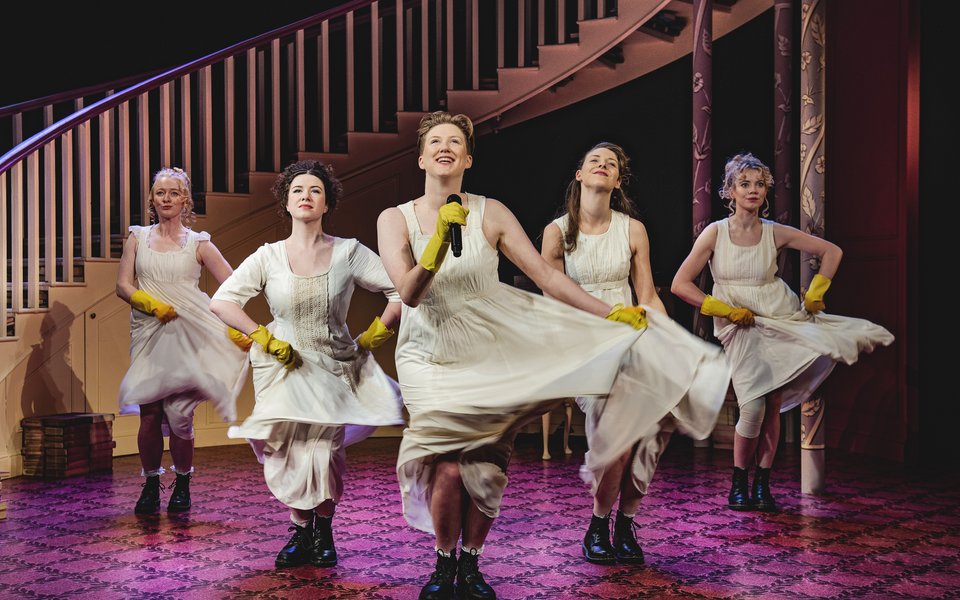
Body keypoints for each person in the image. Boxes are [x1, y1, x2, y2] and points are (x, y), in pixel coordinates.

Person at [376, 112, 730, 600]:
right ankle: (443, 564)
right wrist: (437, 241)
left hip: (488, 351)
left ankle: (473, 563)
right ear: (421, 157)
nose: (445, 147)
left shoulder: (492, 212)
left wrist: (610, 313)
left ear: (468, 158)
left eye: (455, 142)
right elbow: (409, 293)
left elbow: (548, 278)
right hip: (428, 355)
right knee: (448, 464)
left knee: (486, 464)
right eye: (436, 141)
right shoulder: (393, 218)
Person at [671, 152, 895, 512]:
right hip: (738, 325)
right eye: (744, 183)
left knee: (773, 402)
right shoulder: (715, 233)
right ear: (729, 190)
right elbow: (680, 284)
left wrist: (817, 291)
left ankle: (762, 483)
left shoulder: (774, 232)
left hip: (779, 315)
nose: (753, 190)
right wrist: (725, 310)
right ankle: (738, 482)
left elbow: (832, 252)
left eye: (760, 184)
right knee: (753, 404)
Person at [209, 159, 404, 569]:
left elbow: (400, 291)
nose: (306, 196)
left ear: (327, 202)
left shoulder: (349, 252)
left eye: (315, 190)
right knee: (291, 449)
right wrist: (261, 336)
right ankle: (300, 530)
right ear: (286, 201)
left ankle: (324, 529)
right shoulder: (269, 256)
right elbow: (222, 300)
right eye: (298, 190)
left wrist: (373, 336)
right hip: (281, 364)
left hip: (332, 362)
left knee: (325, 450)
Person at [541, 141, 686, 565]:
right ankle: (598, 523)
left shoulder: (632, 229)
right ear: (580, 175)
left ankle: (625, 521)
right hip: (585, 340)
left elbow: (647, 295)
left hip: (632, 336)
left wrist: (667, 337)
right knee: (618, 437)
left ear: (618, 181)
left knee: (649, 435)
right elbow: (553, 297)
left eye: (611, 164)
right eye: (594, 161)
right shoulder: (557, 232)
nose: (603, 166)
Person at [116, 167, 250, 516]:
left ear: (185, 199)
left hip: (188, 332)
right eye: (160, 193)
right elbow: (123, 285)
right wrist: (148, 302)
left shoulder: (199, 243)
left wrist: (232, 326)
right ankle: (149, 482)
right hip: (148, 330)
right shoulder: (137, 238)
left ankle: (183, 481)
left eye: (174, 193)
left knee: (178, 415)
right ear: (151, 198)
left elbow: (234, 286)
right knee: (148, 411)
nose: (166, 199)